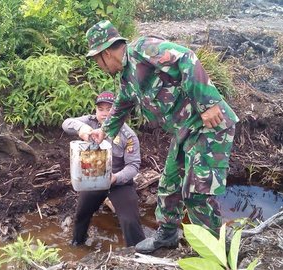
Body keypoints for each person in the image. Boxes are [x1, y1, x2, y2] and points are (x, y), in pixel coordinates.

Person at [84, 20, 239, 254]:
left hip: (209, 125)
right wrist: (104, 131)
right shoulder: (127, 77)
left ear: (105, 53)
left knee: (196, 192)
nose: (99, 65)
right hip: (185, 130)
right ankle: (167, 236)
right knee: (169, 185)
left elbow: (187, 57)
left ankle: (214, 251)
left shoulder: (143, 49)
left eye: (97, 60)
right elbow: (122, 103)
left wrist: (208, 102)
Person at [62, 91, 145, 247]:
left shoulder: (128, 135)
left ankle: (138, 254)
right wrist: (83, 131)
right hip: (93, 178)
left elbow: (133, 166)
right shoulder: (90, 122)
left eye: (110, 109)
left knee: (130, 220)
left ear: (117, 111)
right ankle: (77, 245)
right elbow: (66, 123)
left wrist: (115, 178)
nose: (105, 113)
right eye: (101, 109)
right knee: (81, 215)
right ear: (96, 110)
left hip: (118, 182)